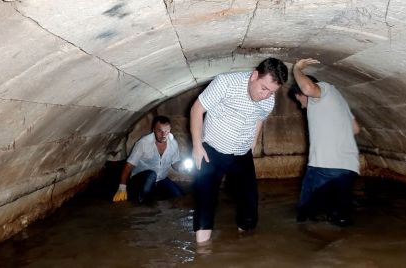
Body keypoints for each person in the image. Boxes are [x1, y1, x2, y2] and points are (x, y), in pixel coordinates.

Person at [190, 57, 288, 243]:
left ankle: (245, 246)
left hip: (242, 154)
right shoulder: (225, 83)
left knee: (250, 206)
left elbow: (260, 117)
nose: (265, 95)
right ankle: (202, 253)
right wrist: (197, 145)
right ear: (254, 76)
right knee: (205, 202)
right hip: (213, 152)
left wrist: (253, 143)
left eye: (272, 92)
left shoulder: (268, 98)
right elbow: (197, 109)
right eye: (264, 88)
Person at [290, 58, 360, 226]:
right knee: (339, 217)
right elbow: (356, 129)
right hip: (349, 168)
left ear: (302, 94)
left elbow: (308, 88)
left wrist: (297, 68)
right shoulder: (339, 101)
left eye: (298, 99)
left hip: (323, 166)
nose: (301, 105)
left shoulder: (325, 89)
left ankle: (305, 245)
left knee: (304, 216)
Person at [112, 115, 185, 204]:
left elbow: (175, 162)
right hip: (140, 179)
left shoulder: (173, 143)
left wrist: (182, 167)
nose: (163, 135)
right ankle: (142, 201)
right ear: (153, 129)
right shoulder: (143, 143)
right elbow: (129, 165)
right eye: (160, 131)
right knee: (151, 175)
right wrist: (122, 186)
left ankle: (151, 196)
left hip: (160, 179)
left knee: (179, 196)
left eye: (166, 131)